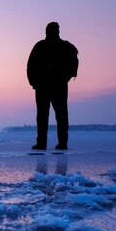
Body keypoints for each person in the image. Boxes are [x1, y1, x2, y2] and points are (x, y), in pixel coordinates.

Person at [27, 22, 78, 150]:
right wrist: (34, 82)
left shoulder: (65, 46)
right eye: (50, 29)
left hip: (57, 86)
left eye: (53, 29)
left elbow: (73, 64)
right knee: (43, 116)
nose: (50, 32)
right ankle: (42, 143)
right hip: (43, 86)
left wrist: (64, 78)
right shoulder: (40, 46)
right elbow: (30, 65)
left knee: (60, 115)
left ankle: (61, 143)